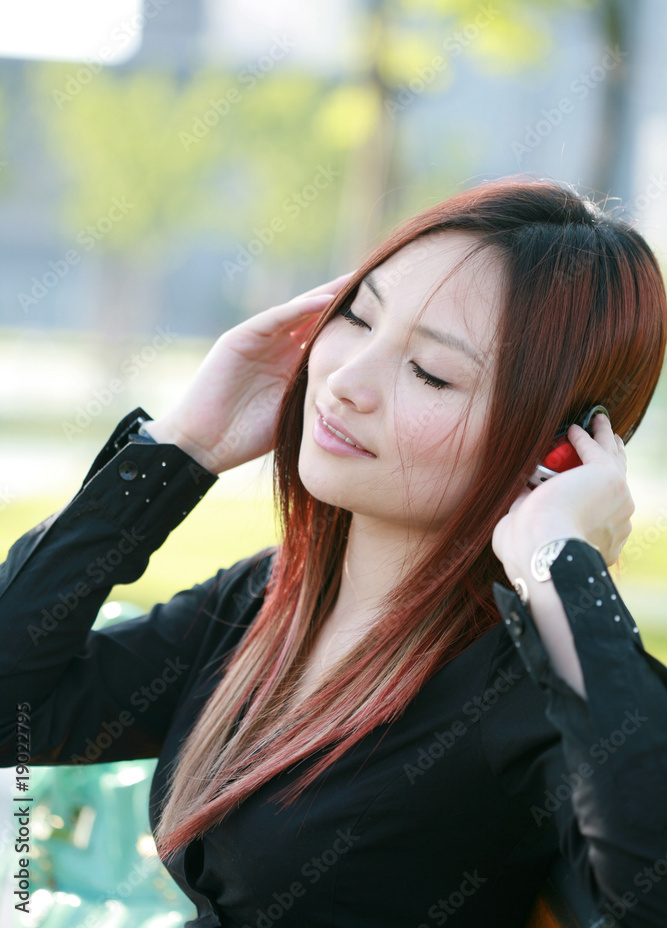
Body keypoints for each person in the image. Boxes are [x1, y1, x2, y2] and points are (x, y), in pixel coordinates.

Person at [1, 177, 667, 928]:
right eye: (357, 316)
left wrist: (561, 566)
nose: (345, 381)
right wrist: (180, 446)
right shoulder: (268, 599)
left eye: (430, 372)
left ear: (554, 452)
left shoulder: (526, 695)